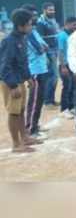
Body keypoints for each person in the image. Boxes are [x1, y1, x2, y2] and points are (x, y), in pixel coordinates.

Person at [0, 9, 43, 153]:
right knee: (13, 112)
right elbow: (4, 66)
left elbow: (22, 63)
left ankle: (24, 137)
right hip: (10, 82)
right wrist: (12, 86)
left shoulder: (22, 38)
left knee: (21, 110)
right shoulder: (9, 41)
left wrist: (28, 77)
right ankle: (16, 144)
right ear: (21, 25)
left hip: (20, 80)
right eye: (30, 24)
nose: (32, 27)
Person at [22, 4, 49, 140]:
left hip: (41, 68)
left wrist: (44, 47)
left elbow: (46, 46)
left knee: (39, 99)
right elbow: (40, 49)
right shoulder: (29, 33)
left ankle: (35, 125)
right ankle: (30, 130)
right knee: (34, 101)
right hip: (35, 71)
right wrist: (43, 48)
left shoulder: (34, 30)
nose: (36, 17)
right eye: (33, 15)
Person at [36, 2, 60, 108]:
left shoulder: (52, 20)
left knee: (54, 76)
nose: (52, 11)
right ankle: (47, 101)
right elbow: (40, 39)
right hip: (48, 52)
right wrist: (45, 55)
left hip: (55, 50)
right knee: (52, 76)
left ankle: (51, 99)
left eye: (53, 9)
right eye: (50, 10)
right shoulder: (41, 22)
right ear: (44, 10)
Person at [58, 17, 76, 119]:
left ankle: (71, 107)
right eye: (73, 25)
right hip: (65, 65)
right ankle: (64, 109)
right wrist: (63, 67)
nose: (75, 27)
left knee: (73, 87)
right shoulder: (62, 36)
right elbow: (60, 52)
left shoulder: (72, 35)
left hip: (72, 64)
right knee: (66, 87)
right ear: (67, 24)